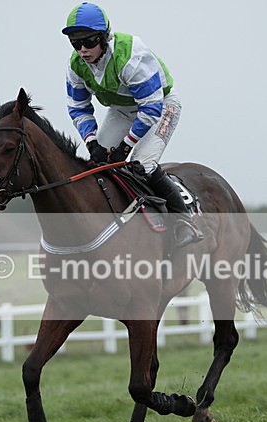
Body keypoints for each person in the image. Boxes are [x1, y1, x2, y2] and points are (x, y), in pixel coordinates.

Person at [62, 2, 203, 248]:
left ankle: (183, 221)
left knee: (142, 164)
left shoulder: (130, 55)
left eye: (89, 42)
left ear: (105, 36)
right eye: (76, 43)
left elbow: (150, 108)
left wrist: (126, 147)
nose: (83, 50)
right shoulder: (76, 65)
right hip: (122, 110)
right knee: (98, 165)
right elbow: (78, 107)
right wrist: (92, 141)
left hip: (160, 106)